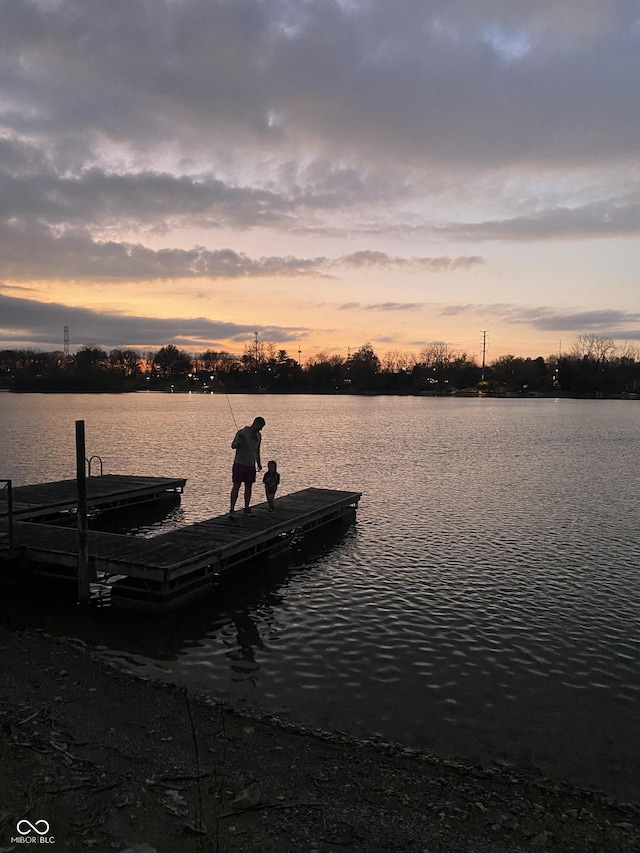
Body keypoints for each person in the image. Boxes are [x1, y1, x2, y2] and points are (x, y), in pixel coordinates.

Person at [229, 417, 265, 517]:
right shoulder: (242, 433)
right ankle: (232, 509)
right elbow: (233, 446)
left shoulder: (258, 435)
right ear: (256, 424)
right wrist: (239, 441)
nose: (261, 429)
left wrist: (259, 462)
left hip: (251, 464)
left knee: (249, 486)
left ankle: (246, 508)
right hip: (240, 463)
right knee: (236, 485)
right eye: (260, 427)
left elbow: (257, 449)